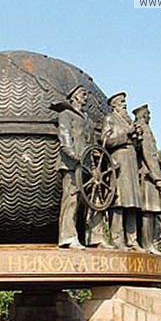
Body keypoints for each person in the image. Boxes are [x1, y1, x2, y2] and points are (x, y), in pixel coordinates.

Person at [51, 85, 105, 249]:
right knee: (71, 200)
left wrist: (96, 162)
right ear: (73, 97)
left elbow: (91, 143)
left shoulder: (87, 119)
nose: (85, 97)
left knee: (94, 200)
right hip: (72, 165)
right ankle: (68, 237)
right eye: (82, 94)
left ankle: (96, 237)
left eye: (86, 95)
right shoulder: (66, 114)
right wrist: (72, 153)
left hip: (88, 166)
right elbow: (65, 136)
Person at [102, 92, 143, 251]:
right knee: (118, 201)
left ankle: (132, 240)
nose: (124, 104)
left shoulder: (128, 121)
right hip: (118, 161)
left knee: (132, 203)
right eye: (121, 102)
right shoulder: (110, 119)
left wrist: (137, 138)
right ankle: (117, 239)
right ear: (114, 106)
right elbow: (107, 141)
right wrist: (126, 133)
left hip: (131, 162)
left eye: (125, 102)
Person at [132, 104, 161, 255]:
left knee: (151, 211)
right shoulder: (144, 128)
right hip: (148, 176)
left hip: (147, 174)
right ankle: (148, 244)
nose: (149, 116)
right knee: (149, 210)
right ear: (143, 115)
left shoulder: (141, 128)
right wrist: (157, 177)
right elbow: (148, 154)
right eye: (148, 113)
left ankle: (148, 243)